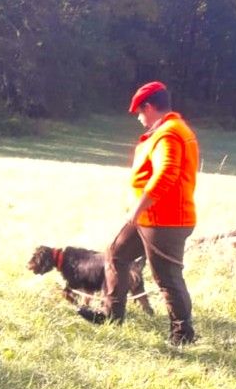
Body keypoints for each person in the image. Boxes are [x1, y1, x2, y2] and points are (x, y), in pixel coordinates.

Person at [77, 81, 198, 345]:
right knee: (116, 254)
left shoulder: (169, 133)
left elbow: (166, 174)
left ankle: (183, 336)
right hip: (149, 217)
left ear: (149, 107)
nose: (139, 118)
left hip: (165, 220)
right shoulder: (168, 130)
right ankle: (111, 316)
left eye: (140, 112)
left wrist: (138, 207)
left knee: (167, 277)